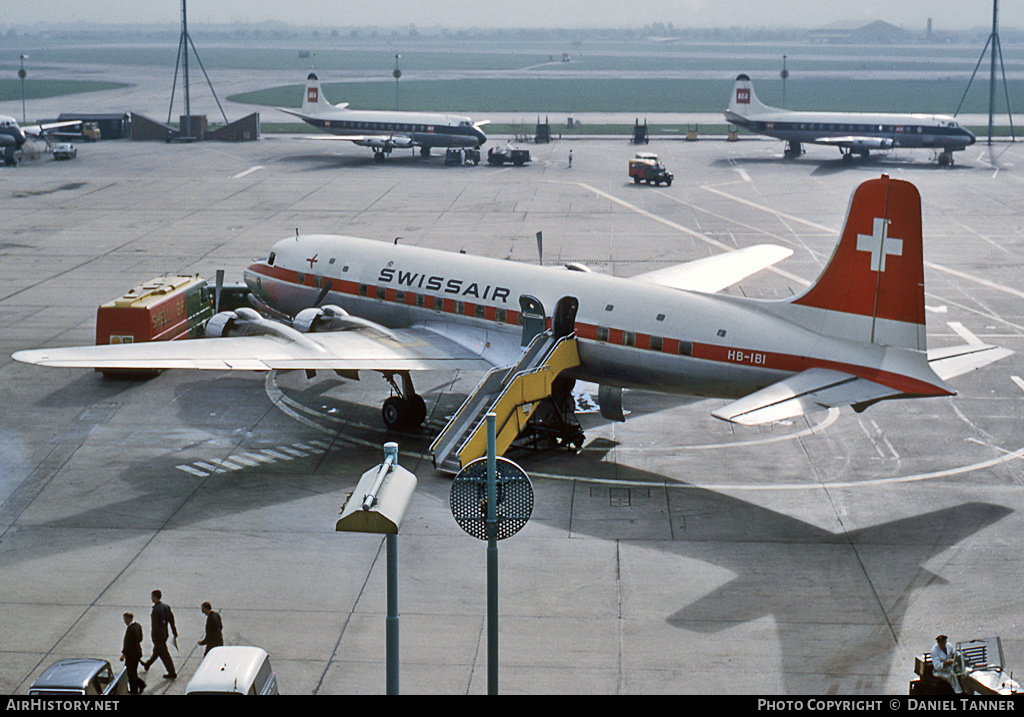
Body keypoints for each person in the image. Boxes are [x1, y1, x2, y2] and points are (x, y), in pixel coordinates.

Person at [142, 590, 178, 679]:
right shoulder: (166, 607)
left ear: (154, 597)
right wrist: (174, 631)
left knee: (164, 654)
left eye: (152, 596)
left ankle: (172, 672)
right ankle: (147, 664)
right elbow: (171, 620)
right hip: (165, 634)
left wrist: (154, 637)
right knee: (158, 651)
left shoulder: (156, 610)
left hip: (158, 636)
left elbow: (155, 626)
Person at [120, 612, 146, 695]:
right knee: (133, 671)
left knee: (130, 673)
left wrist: (124, 654)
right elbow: (140, 638)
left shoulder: (130, 629)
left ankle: (134, 690)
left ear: (128, 619)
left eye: (125, 619)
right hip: (137, 652)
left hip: (132, 655)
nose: (124, 621)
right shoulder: (138, 626)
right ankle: (141, 684)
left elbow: (128, 644)